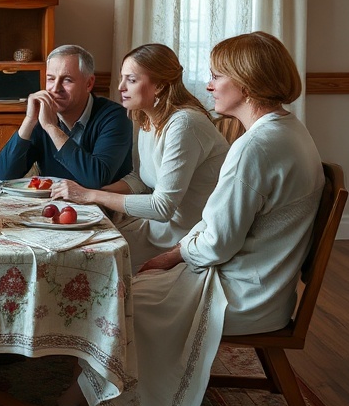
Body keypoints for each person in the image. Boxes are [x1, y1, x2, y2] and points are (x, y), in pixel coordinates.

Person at [69, 31, 324, 406]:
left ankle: (90, 400)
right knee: (128, 286)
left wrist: (171, 256)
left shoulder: (256, 147)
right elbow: (217, 229)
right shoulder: (287, 131)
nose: (208, 84)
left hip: (247, 292)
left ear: (248, 81)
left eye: (217, 75)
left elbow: (217, 243)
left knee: (120, 299)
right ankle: (83, 391)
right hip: (266, 280)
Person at [51, 43, 229, 270]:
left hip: (186, 237)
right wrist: (86, 194)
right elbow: (140, 178)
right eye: (122, 78)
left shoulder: (184, 124)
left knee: (81, 261)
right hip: (159, 228)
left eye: (132, 80)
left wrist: (91, 195)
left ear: (160, 86)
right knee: (73, 247)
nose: (120, 87)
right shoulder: (148, 120)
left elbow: (163, 208)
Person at [0, 44, 132, 187]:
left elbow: (96, 179)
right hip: (52, 205)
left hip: (98, 207)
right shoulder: (42, 114)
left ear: (89, 83)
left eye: (67, 80)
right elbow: (5, 175)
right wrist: (29, 120)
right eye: (51, 79)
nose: (55, 88)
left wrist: (51, 127)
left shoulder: (115, 117)